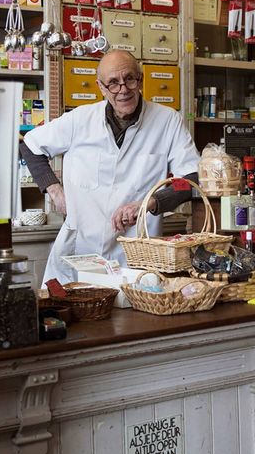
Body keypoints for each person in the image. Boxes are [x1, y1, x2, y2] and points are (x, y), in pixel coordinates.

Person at [19, 50, 200, 285]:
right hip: (79, 254)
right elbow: (30, 145)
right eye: (113, 83)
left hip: (135, 258)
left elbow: (190, 180)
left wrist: (151, 202)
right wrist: (55, 191)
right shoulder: (80, 119)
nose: (123, 89)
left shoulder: (167, 121)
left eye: (130, 79)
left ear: (141, 80)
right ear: (101, 87)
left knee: (130, 307)